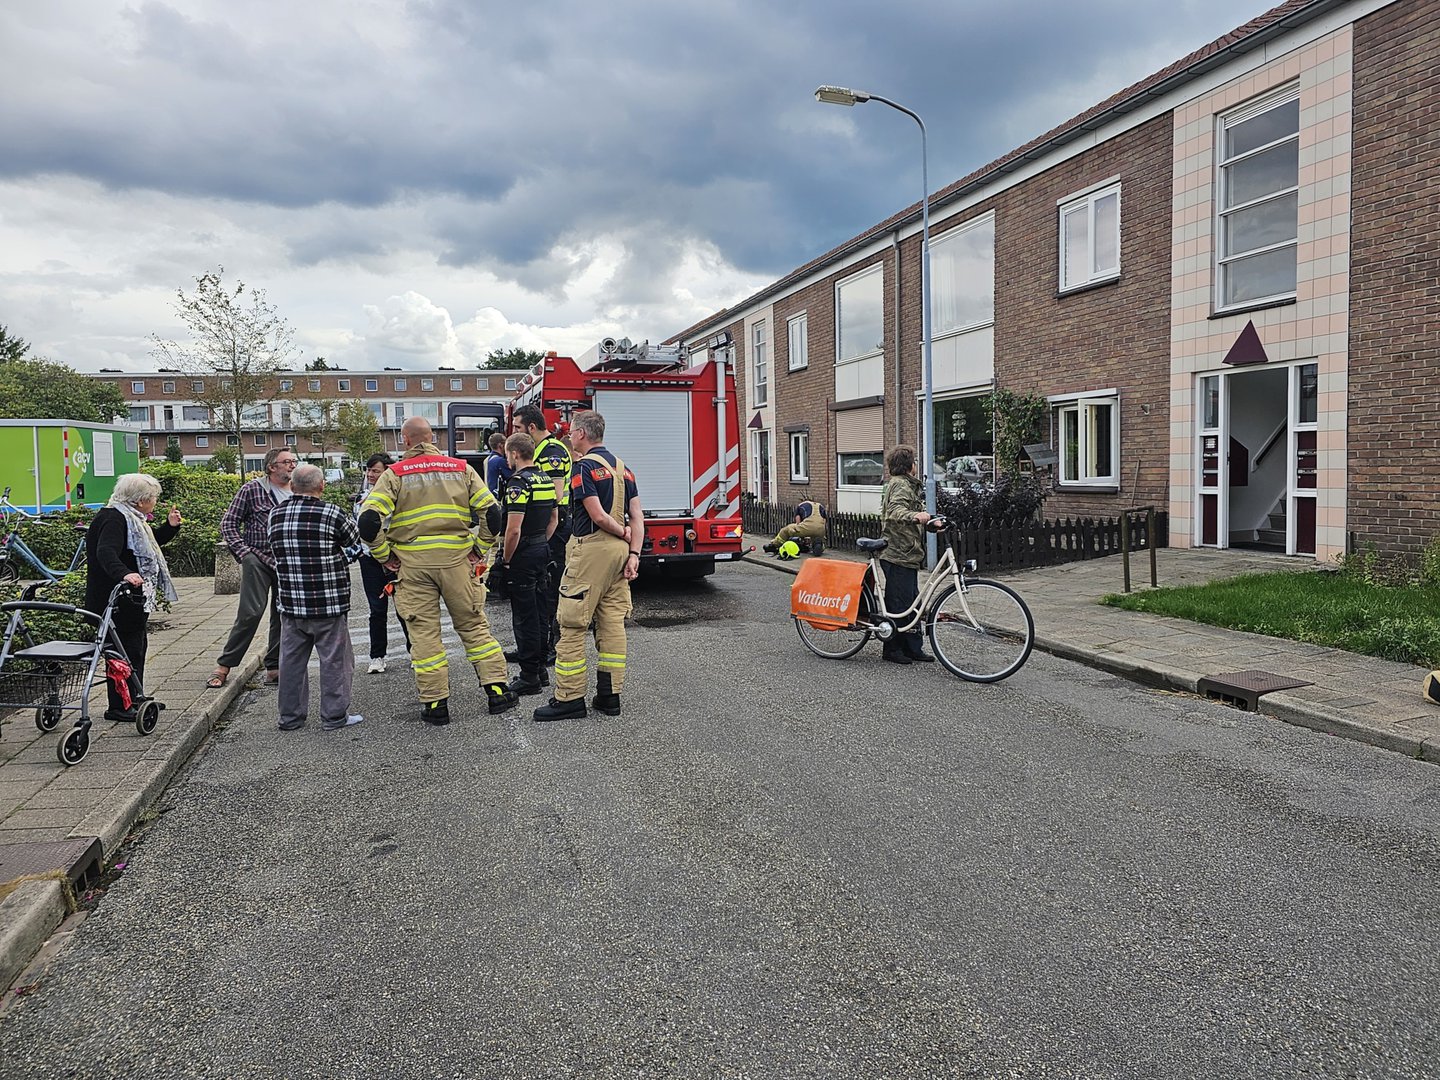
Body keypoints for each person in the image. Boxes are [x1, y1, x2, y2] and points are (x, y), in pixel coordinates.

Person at [358, 416, 517, 725]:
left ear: (405, 441)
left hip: (413, 566)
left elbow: (368, 522)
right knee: (473, 627)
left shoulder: (394, 474)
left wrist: (384, 556)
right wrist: (479, 548)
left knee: (424, 635)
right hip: (458, 561)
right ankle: (497, 690)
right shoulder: (461, 468)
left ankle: (435, 705)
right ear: (432, 438)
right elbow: (492, 513)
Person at [534, 410, 642, 722]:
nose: (568, 436)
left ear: (582, 434)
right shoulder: (625, 470)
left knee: (571, 623)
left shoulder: (583, 468)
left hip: (592, 549)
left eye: (571, 432)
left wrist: (620, 531)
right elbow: (637, 516)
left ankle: (569, 698)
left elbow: (596, 514)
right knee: (611, 623)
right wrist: (633, 553)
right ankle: (609, 697)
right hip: (621, 554)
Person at [269, 465, 364, 731]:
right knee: (335, 661)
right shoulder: (331, 512)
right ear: (321, 485)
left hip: (290, 603)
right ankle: (334, 716)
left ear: (292, 485)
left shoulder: (275, 514)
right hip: (328, 602)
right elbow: (354, 538)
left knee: (291, 663)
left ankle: (290, 718)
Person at [84, 473, 181, 722]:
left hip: (132, 600)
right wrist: (125, 574)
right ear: (139, 500)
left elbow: (149, 545)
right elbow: (106, 552)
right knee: (120, 653)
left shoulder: (133, 518)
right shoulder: (114, 519)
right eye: (153, 498)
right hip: (113, 600)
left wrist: (170, 527)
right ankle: (118, 706)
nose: (155, 502)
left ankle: (136, 696)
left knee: (136, 649)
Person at [209, 447, 298, 688]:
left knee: (284, 614)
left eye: (294, 461)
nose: (292, 465)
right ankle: (224, 666)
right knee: (251, 612)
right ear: (272, 467)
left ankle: (274, 667)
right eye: (287, 462)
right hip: (258, 558)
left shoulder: (298, 490)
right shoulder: (252, 490)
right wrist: (244, 553)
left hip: (288, 562)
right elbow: (229, 523)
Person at [510, 404, 571, 666]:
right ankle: (532, 647)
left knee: (547, 589)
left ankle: (549, 648)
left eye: (517, 428)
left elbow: (555, 496)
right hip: (543, 525)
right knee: (536, 592)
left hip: (553, 526)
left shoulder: (552, 452)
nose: (514, 432)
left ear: (531, 428)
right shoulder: (541, 451)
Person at [499, 432, 558, 696]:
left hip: (523, 554)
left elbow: (513, 530)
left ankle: (529, 676)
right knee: (540, 611)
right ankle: (541, 669)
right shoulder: (545, 478)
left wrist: (507, 560)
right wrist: (540, 542)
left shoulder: (518, 483)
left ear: (514, 454)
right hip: (542, 550)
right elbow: (554, 519)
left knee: (524, 617)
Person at [353, 452, 409, 673]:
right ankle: (377, 656)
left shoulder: (400, 496)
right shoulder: (362, 497)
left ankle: (414, 650)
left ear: (388, 470)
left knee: (404, 607)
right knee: (377, 610)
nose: (370, 474)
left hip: (395, 560)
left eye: (375, 470)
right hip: (370, 560)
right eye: (368, 470)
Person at [879, 445, 934, 665]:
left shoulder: (907, 485)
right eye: (915, 461)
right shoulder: (901, 484)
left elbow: (911, 515)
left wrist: (930, 521)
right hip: (897, 553)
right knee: (899, 605)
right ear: (909, 466)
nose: (916, 465)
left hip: (907, 553)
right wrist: (916, 516)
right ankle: (892, 649)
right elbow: (894, 512)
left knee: (912, 603)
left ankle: (913, 648)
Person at [483, 431, 512, 500]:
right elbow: (512, 477)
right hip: (497, 498)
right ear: (501, 445)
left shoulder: (486, 460)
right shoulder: (500, 461)